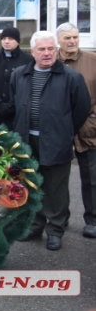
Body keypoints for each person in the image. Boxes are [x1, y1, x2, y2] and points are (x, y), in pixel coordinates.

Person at [12, 31, 90, 251]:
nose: (47, 54)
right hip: (27, 141)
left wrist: (64, 131)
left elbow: (81, 109)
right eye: (42, 49)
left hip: (57, 141)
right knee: (32, 186)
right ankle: (35, 226)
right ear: (32, 52)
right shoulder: (19, 75)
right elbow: (14, 105)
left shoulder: (71, 77)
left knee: (56, 190)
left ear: (56, 50)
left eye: (51, 49)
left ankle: (55, 230)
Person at [55, 23, 96, 239]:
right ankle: (61, 216)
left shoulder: (92, 60)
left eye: (75, 37)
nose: (72, 41)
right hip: (59, 129)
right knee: (59, 177)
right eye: (67, 38)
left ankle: (93, 220)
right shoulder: (52, 61)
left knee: (91, 177)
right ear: (58, 40)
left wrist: (92, 121)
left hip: (88, 128)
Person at [0, 27, 30, 130]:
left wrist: (12, 104)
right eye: (4, 39)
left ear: (18, 41)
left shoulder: (28, 60)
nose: (6, 42)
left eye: (11, 39)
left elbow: (28, 86)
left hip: (17, 113)